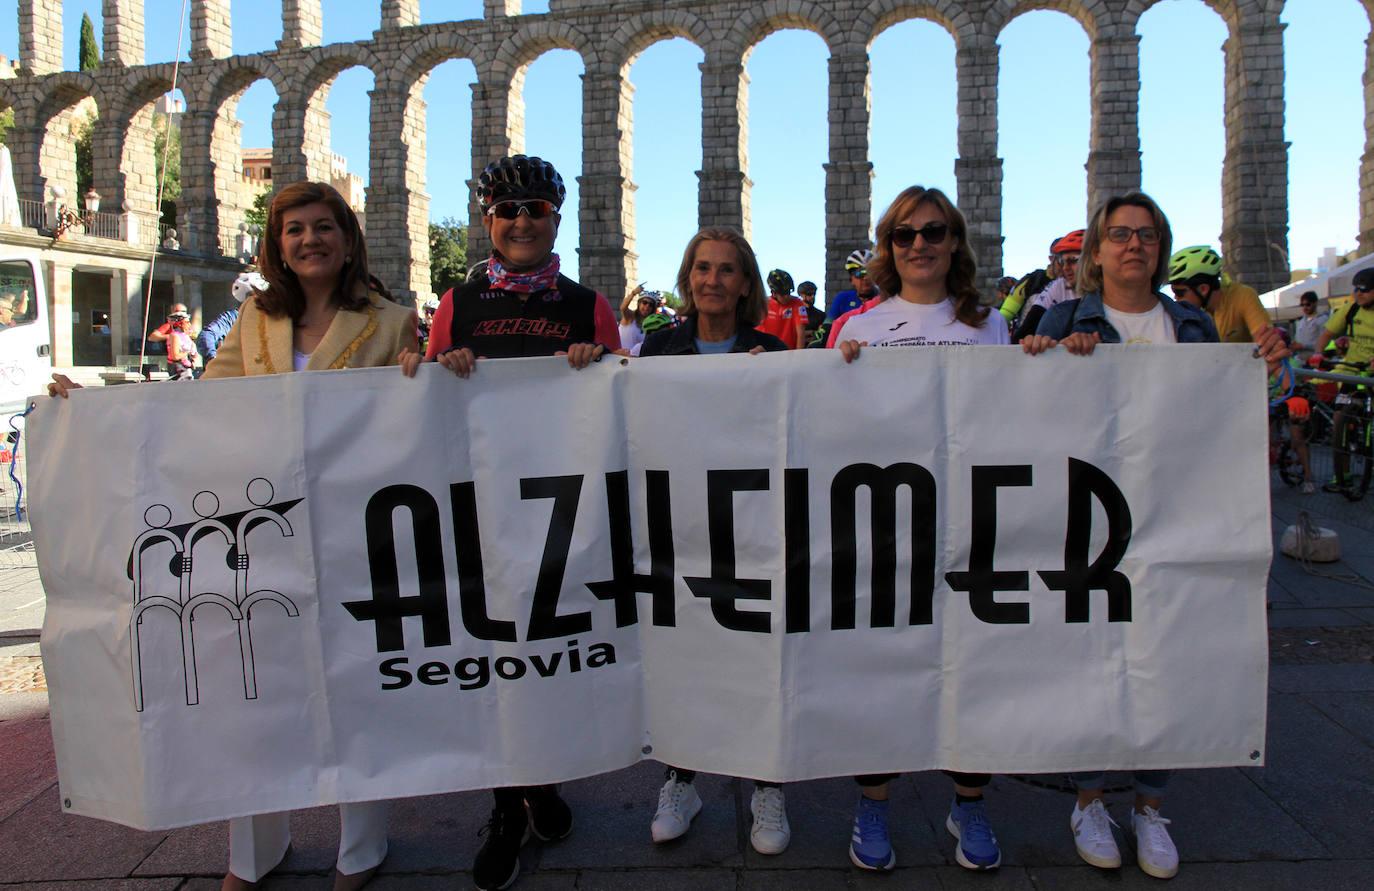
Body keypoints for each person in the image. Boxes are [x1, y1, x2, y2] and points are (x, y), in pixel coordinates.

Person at [50, 182, 417, 891]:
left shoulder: (394, 323)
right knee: (253, 694)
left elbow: (410, 423)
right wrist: (94, 410)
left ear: (347, 239)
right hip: (262, 529)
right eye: (294, 230)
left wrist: (422, 374)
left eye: (323, 227)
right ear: (276, 246)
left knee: (357, 689)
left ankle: (362, 846)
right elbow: (193, 410)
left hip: (349, 535)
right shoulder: (252, 319)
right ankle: (255, 850)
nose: (309, 239)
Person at [1023, 192, 1287, 880]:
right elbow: (1022, 407)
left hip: (1174, 514)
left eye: (1146, 235)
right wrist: (1046, 353)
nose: (1133, 245)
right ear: (1099, 253)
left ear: (1160, 249)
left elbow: (1242, 407)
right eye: (1120, 234)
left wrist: (1268, 361)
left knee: (1166, 659)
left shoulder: (1195, 327)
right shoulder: (1061, 316)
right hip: (1088, 521)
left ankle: (1149, 805)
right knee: (1091, 658)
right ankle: (1089, 799)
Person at [399, 154, 619, 891]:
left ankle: (543, 781)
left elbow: (621, 404)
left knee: (551, 652)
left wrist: (597, 362)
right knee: (495, 658)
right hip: (482, 505)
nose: (522, 221)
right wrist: (437, 362)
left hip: (563, 508)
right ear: (487, 220)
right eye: (508, 209)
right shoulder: (457, 304)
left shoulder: (588, 303)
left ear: (558, 219)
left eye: (537, 210)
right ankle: (504, 803)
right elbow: (429, 404)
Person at [834, 185, 1008, 875]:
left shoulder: (990, 324)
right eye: (904, 234)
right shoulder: (856, 330)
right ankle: (872, 799)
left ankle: (969, 798)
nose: (920, 245)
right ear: (888, 246)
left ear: (955, 241)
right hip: (884, 526)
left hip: (968, 521)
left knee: (973, 665)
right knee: (881, 666)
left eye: (934, 231)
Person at [635, 226, 790, 851]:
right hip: (680, 525)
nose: (712, 280)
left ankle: (767, 782)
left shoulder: (769, 352)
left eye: (726, 270)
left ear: (745, 283)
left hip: (754, 526)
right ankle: (681, 776)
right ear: (687, 277)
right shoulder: (656, 349)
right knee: (683, 653)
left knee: (761, 651)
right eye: (702, 268)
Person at [1315, 267, 1374, 493]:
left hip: (1372, 375)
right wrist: (1319, 353)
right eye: (1356, 290)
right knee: (1340, 418)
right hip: (1352, 372)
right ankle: (1342, 476)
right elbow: (1326, 335)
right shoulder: (1351, 310)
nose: (1358, 294)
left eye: (1365, 290)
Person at [1166, 245, 1269, 343]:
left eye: (1179, 293)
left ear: (1203, 289)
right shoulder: (1193, 312)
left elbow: (1266, 340)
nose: (1175, 298)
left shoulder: (1243, 296)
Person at [1012, 229, 1083, 341]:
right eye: (1061, 261)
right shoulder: (1059, 285)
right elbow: (1029, 325)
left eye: (1073, 260)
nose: (1065, 268)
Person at [197, 272, 266, 363]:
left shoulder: (274, 316)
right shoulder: (233, 317)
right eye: (250, 296)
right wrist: (214, 359)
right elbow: (207, 335)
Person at [756, 268, 808, 349]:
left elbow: (801, 334)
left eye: (788, 292)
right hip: (766, 354)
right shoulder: (763, 305)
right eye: (783, 294)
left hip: (789, 354)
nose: (787, 297)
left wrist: (799, 356)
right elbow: (756, 333)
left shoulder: (798, 304)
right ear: (774, 293)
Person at [827, 249, 877, 321]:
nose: (866, 278)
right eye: (859, 273)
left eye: (870, 272)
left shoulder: (884, 299)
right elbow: (827, 326)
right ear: (851, 279)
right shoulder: (843, 298)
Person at [618, 283, 659, 355]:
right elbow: (623, 308)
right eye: (644, 302)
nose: (647, 306)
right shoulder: (630, 317)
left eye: (651, 305)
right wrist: (633, 293)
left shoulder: (650, 326)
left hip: (638, 362)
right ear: (639, 304)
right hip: (621, 359)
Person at [1293, 290, 1328, 354]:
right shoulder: (1301, 321)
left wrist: (1304, 346)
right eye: (1302, 305)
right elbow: (1297, 340)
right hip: (1300, 359)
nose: (1305, 307)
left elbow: (1325, 343)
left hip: (1315, 359)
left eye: (1308, 304)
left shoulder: (1322, 319)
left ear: (1315, 303)